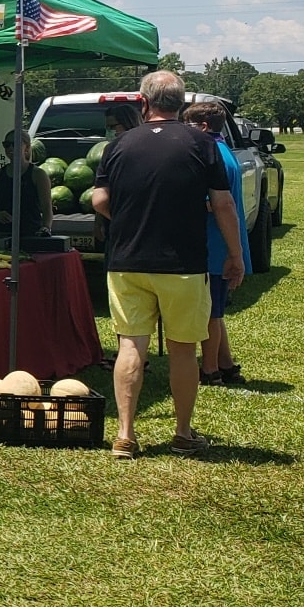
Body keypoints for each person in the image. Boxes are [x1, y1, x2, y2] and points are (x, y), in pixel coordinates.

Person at [89, 71, 245, 459]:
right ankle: (182, 433)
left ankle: (125, 434)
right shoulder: (201, 142)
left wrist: (126, 219)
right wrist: (235, 254)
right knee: (181, 348)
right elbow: (223, 203)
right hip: (184, 264)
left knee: (130, 346)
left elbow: (98, 201)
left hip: (127, 261)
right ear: (182, 103)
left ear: (143, 103)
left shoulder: (119, 145)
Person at [184, 98, 250, 386]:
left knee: (210, 311)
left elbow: (215, 202)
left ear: (203, 126)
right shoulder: (224, 150)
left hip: (213, 244)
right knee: (217, 308)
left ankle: (209, 370)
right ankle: (225, 363)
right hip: (222, 242)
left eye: (189, 126)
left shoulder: (213, 155)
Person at [0, 127, 53, 246]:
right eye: (6, 145)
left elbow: (47, 207)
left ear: (26, 147)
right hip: (1, 234)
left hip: (31, 233)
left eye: (15, 144)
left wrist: (46, 228)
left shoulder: (38, 174)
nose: (10, 148)